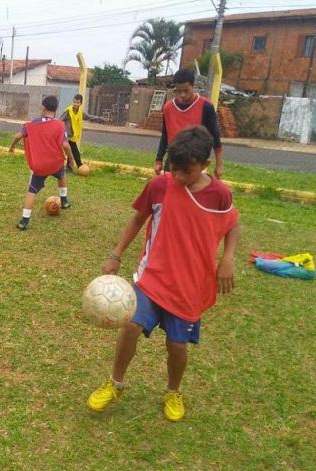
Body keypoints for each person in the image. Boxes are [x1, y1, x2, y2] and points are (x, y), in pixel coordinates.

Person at [86, 125, 240, 421]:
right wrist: (115, 255)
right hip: (152, 278)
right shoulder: (159, 186)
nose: (179, 177)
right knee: (129, 325)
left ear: (204, 165)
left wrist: (228, 258)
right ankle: (115, 383)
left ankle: (172, 391)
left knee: (177, 345)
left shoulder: (220, 194)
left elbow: (233, 224)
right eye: (174, 169)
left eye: (187, 171)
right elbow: (136, 220)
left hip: (190, 287)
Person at [9, 95, 76, 231]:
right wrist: (72, 160)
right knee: (62, 175)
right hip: (55, 163)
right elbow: (66, 146)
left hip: (39, 165)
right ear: (56, 110)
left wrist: (12, 147)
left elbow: (17, 136)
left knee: (32, 191)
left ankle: (24, 221)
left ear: (43, 108)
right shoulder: (59, 125)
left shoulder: (31, 124)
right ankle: (64, 200)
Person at [155, 69, 224, 179]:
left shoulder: (206, 106)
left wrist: (219, 164)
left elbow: (215, 136)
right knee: (172, 192)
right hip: (174, 160)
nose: (182, 95)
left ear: (193, 86)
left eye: (186, 90)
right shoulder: (168, 107)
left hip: (195, 161)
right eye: (178, 91)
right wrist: (159, 160)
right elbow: (165, 135)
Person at [59, 93, 104, 171]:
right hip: (67, 136)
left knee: (71, 151)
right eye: (74, 102)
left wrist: (99, 118)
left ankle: (68, 167)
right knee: (75, 151)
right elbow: (60, 120)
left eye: (77, 102)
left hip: (73, 136)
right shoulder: (68, 111)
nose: (75, 104)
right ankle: (80, 166)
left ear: (81, 103)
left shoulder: (80, 112)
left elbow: (89, 117)